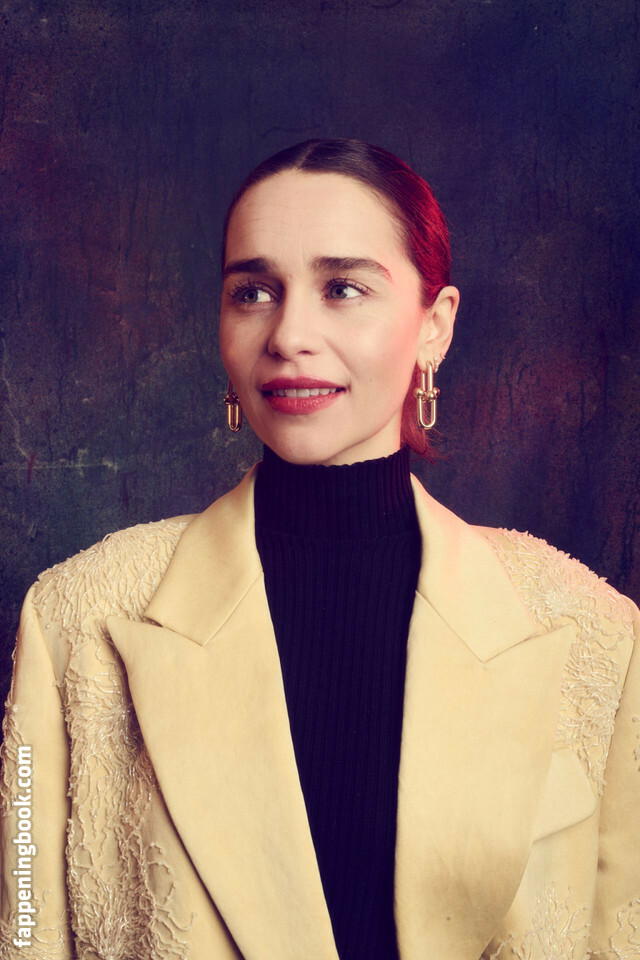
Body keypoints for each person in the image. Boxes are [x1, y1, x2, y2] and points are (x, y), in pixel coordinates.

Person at [0, 138, 638, 960]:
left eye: (343, 288)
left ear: (435, 325)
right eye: (254, 292)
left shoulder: (591, 629)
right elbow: (23, 929)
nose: (289, 334)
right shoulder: (75, 616)